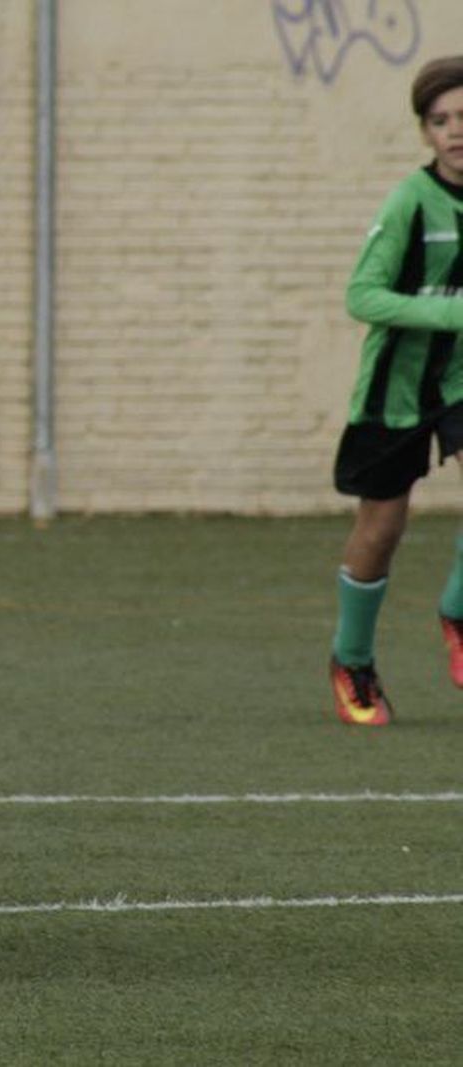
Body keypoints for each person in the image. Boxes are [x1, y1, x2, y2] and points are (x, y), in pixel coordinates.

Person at [329, 56, 463, 727]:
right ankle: (352, 659)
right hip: (398, 388)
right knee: (382, 527)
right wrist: (451, 313)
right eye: (441, 121)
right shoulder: (410, 202)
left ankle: (459, 609)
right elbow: (362, 294)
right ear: (425, 134)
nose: (456, 131)